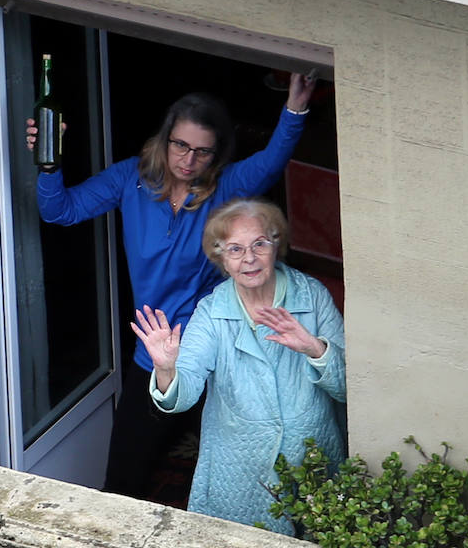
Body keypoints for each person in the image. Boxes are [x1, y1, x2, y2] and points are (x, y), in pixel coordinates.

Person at [30, 73, 317, 501]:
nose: (188, 159)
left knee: (234, 468)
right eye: (180, 145)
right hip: (155, 343)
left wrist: (295, 107)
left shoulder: (225, 187)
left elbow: (272, 160)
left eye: (202, 151)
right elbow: (61, 211)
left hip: (215, 344)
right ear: (165, 140)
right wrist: (48, 163)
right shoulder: (131, 179)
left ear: (216, 155)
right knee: (125, 475)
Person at [131, 198, 346, 534]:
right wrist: (166, 369)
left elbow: (349, 388)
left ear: (277, 244)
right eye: (235, 249)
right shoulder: (211, 312)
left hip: (314, 461)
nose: (249, 258)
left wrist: (315, 348)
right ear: (221, 258)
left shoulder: (312, 297)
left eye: (259, 244)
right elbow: (182, 396)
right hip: (241, 473)